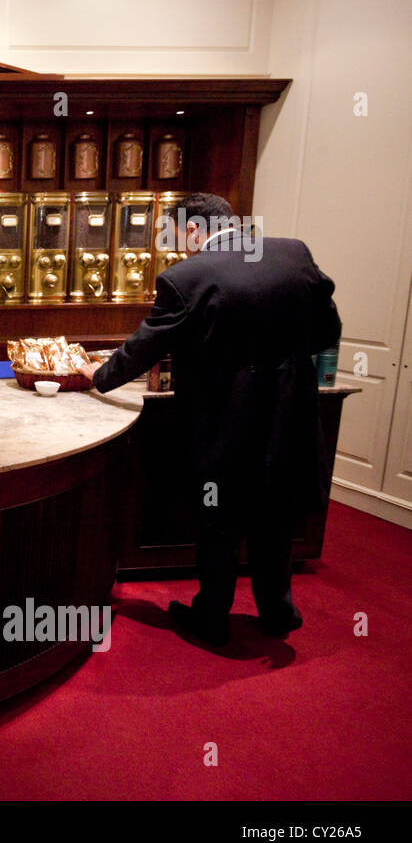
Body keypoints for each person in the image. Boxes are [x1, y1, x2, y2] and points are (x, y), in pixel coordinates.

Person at [77, 194, 341, 647]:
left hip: (225, 419)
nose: (181, 249)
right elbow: (327, 331)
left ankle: (212, 615)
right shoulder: (293, 252)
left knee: (218, 514)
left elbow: (145, 347)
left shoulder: (187, 278)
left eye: (180, 238)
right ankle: (278, 611)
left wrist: (98, 375)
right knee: (275, 511)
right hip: (288, 412)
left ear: (195, 230)